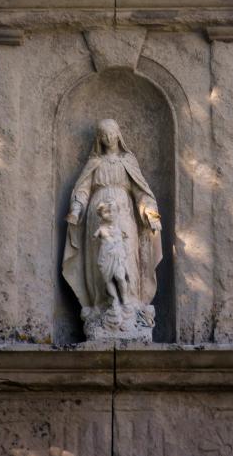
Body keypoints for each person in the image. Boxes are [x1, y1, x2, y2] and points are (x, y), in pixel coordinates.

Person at [62, 119, 162, 324]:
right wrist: (76, 208)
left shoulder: (128, 161)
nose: (108, 138)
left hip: (124, 214)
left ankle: (131, 303)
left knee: (127, 259)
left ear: (118, 135)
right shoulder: (95, 163)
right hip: (97, 215)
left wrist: (152, 215)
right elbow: (83, 189)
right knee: (102, 261)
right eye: (104, 134)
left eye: (112, 133)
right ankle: (103, 306)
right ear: (99, 138)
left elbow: (142, 193)